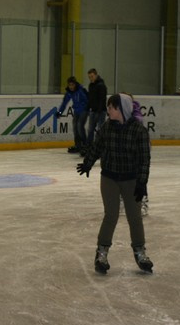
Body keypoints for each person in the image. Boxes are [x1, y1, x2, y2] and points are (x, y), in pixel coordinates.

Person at [76, 93, 153, 275]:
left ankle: (140, 252)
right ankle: (101, 253)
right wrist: (88, 163)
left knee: (135, 217)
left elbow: (144, 159)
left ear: (121, 109)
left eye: (111, 107)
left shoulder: (138, 130)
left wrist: (142, 182)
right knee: (110, 215)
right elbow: (97, 147)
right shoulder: (106, 127)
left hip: (131, 180)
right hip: (109, 178)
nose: (108, 110)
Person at [57, 76, 89, 154]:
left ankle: (85, 145)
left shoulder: (80, 90)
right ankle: (78, 145)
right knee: (75, 127)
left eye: (72, 85)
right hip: (77, 111)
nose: (71, 87)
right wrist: (60, 112)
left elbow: (87, 100)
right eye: (69, 85)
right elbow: (64, 103)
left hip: (84, 110)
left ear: (75, 84)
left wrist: (88, 109)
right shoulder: (69, 92)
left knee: (79, 126)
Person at [85, 68, 107, 151]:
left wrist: (99, 111)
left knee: (100, 130)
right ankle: (89, 146)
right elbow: (90, 98)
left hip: (101, 111)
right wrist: (87, 108)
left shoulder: (101, 85)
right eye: (89, 77)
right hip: (93, 111)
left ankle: (99, 146)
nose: (91, 78)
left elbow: (102, 99)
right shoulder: (91, 85)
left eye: (92, 76)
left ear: (96, 75)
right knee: (90, 129)